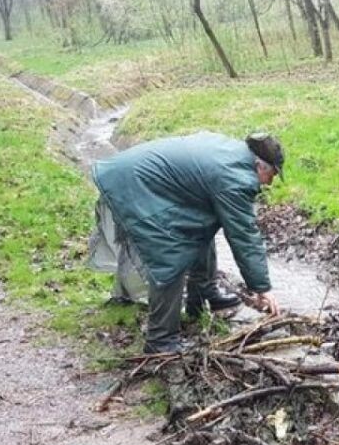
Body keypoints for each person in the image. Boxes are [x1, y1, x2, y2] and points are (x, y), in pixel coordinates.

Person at [89, 131, 283, 354]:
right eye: (273, 176)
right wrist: (262, 288)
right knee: (170, 256)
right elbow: (244, 236)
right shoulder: (235, 178)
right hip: (137, 185)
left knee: (201, 226)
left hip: (145, 179)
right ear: (261, 166)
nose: (269, 183)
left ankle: (202, 296)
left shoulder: (235, 154)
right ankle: (160, 341)